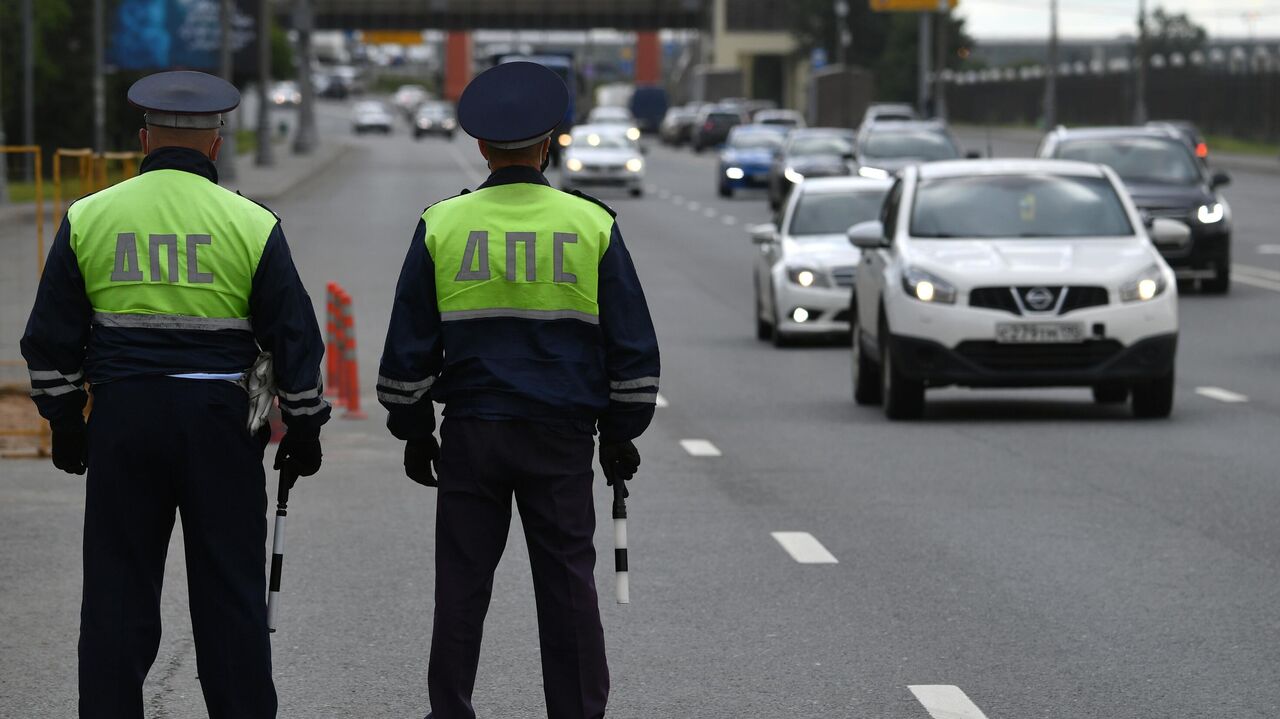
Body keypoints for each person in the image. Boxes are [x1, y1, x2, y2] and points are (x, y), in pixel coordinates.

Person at [20, 70, 329, 718]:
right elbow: (293, 338)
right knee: (230, 598)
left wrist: (67, 420)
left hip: (125, 419)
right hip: (220, 423)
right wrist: (303, 427)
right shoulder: (252, 223)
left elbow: (49, 340)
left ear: (143, 139)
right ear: (215, 143)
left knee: (116, 596)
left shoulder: (91, 216)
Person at [377, 61, 660, 719]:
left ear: (480, 146)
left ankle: (450, 710)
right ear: (550, 140)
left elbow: (408, 349)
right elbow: (632, 345)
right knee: (567, 587)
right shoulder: (591, 224)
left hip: (473, 432)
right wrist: (621, 432)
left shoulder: (443, 225)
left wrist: (415, 429)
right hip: (560, 437)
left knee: (462, 589)